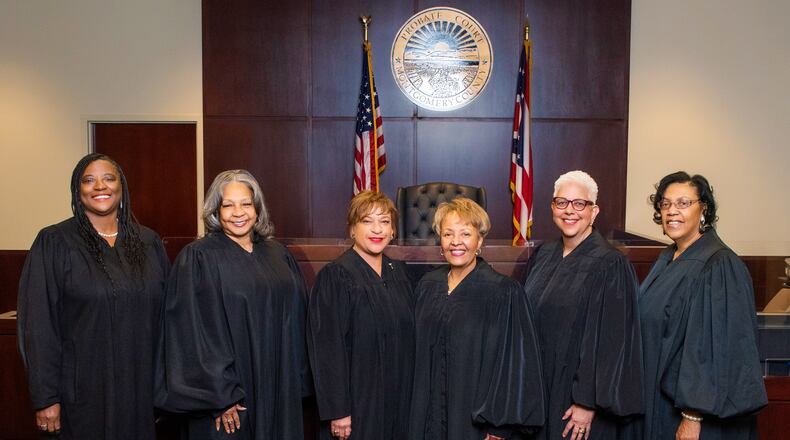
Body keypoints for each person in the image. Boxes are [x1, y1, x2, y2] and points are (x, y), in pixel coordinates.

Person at [17, 153, 170, 439]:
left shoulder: (147, 241)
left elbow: (167, 320)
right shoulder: (55, 242)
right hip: (82, 394)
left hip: (140, 392)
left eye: (109, 178)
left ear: (121, 187)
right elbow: (38, 325)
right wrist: (46, 397)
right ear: (78, 190)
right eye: (89, 180)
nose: (100, 186)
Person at [155, 170, 309, 439]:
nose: (239, 212)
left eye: (246, 203)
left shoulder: (277, 254)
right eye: (228, 204)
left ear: (257, 208)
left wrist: (293, 383)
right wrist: (219, 396)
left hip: (278, 391)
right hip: (230, 401)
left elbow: (297, 321)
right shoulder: (198, 258)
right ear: (216, 210)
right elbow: (191, 333)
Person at [634, 172, 767, 440]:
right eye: (665, 203)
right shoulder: (668, 258)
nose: (672, 211)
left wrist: (692, 417)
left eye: (683, 203)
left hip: (693, 415)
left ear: (703, 209)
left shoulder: (719, 265)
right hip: (658, 403)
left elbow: (715, 349)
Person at [409, 198, 545, 440]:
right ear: (440, 241)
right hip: (427, 417)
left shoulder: (503, 292)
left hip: (474, 423)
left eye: (465, 234)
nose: (456, 242)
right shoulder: (427, 286)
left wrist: (499, 427)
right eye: (448, 234)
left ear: (479, 240)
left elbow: (514, 364)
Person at [522, 170, 643, 440]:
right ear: (553, 207)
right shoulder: (543, 254)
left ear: (594, 211)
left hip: (577, 399)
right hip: (541, 387)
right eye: (561, 203)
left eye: (579, 204)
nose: (569, 211)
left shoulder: (611, 264)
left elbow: (613, 341)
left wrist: (587, 401)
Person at [307, 191, 415, 440]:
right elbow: (327, 348)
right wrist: (339, 411)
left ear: (392, 231)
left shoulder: (399, 273)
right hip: (357, 405)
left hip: (398, 400)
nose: (377, 229)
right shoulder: (336, 276)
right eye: (367, 221)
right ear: (352, 229)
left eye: (385, 221)